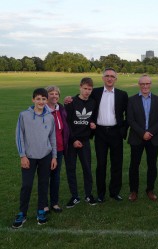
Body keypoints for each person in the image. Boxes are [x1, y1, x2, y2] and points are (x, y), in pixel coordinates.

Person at [13, 88, 57, 228]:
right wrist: (22, 156)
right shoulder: (24, 115)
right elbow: (19, 136)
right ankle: (22, 213)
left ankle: (40, 210)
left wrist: (54, 156)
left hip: (45, 156)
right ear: (33, 100)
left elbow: (53, 138)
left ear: (46, 100)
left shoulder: (50, 116)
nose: (41, 101)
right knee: (27, 185)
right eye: (38, 99)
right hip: (29, 157)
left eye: (43, 99)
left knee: (44, 184)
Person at [127, 75, 158, 202]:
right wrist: (142, 133)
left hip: (153, 138)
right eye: (142, 84)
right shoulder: (132, 100)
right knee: (134, 165)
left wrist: (150, 132)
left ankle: (150, 190)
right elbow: (130, 119)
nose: (145, 86)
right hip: (137, 137)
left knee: (152, 165)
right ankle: (133, 191)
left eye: (147, 83)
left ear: (150, 84)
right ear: (139, 84)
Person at [92, 68, 128, 202]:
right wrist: (69, 99)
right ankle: (101, 194)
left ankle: (114, 192)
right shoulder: (95, 92)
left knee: (116, 164)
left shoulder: (122, 94)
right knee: (101, 164)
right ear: (103, 78)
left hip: (115, 133)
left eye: (112, 76)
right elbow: (83, 100)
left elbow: (128, 113)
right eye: (107, 76)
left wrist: (123, 129)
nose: (109, 78)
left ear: (115, 79)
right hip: (100, 132)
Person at [64, 78, 97, 208]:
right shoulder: (71, 102)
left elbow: (92, 119)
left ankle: (88, 194)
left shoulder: (93, 103)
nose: (87, 91)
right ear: (80, 87)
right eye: (85, 88)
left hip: (84, 141)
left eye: (89, 89)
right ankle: (74, 196)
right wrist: (73, 140)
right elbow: (67, 124)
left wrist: (93, 125)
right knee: (71, 169)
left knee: (87, 169)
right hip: (71, 142)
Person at [45, 86, 69, 213]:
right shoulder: (42, 110)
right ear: (46, 96)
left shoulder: (61, 109)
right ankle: (43, 204)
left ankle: (54, 203)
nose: (54, 96)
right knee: (45, 177)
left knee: (55, 176)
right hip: (44, 150)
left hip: (59, 149)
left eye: (56, 94)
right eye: (51, 93)